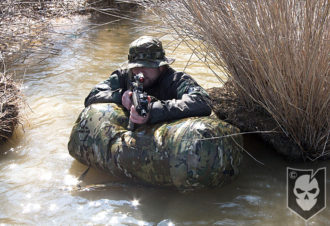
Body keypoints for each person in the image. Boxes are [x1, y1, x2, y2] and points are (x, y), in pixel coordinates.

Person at [84, 36, 212, 125]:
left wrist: (154, 110)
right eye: (135, 67)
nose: (139, 72)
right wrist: (121, 96)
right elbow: (92, 96)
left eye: (145, 67)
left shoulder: (175, 80)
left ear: (161, 66)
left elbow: (202, 102)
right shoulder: (125, 76)